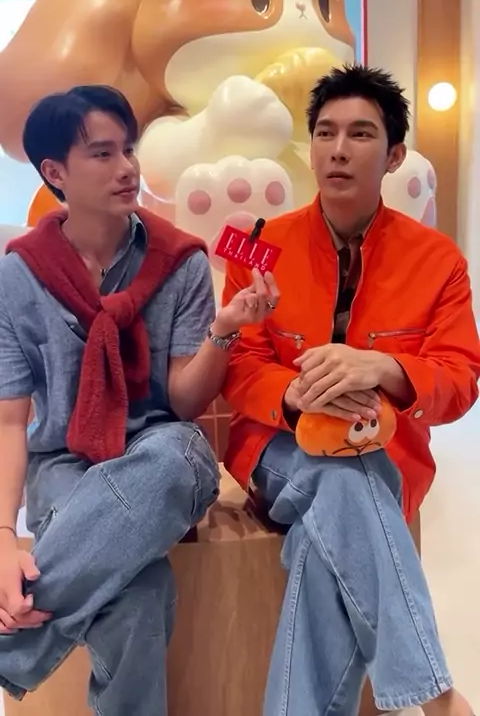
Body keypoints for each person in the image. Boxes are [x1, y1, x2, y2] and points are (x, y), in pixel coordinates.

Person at [0, 84, 279, 715]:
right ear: (54, 173)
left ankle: (10, 646)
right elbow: (11, 424)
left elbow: (183, 402)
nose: (127, 167)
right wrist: (2, 538)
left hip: (160, 450)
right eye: (103, 154)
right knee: (138, 595)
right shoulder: (19, 275)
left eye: (128, 149)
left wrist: (224, 330)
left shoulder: (179, 261)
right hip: (65, 463)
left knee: (177, 457)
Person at [222, 64, 480, 716]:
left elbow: (459, 378)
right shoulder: (257, 246)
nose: (338, 149)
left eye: (361, 134)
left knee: (334, 516)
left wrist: (385, 369)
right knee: (338, 480)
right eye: (325, 133)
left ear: (394, 155)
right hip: (278, 452)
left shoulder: (438, 260)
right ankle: (436, 696)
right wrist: (297, 393)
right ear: (311, 147)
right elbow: (239, 367)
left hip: (387, 456)